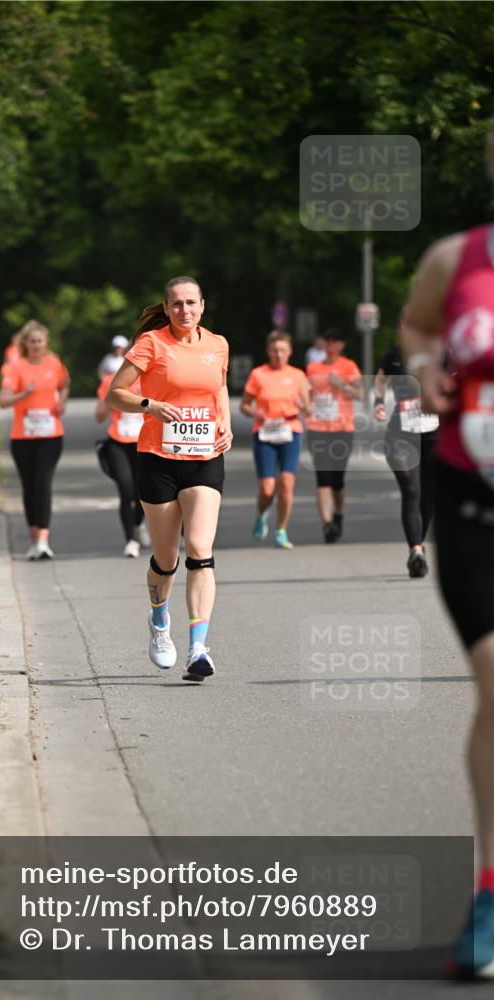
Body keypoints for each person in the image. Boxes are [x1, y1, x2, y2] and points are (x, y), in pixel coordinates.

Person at [401, 210, 494, 979]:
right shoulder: (455, 260)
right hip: (475, 506)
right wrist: (427, 365)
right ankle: (492, 896)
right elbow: (415, 328)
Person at [107, 276, 232, 682]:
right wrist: (151, 405)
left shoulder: (218, 345)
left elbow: (220, 387)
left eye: (191, 303)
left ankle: (198, 647)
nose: (185, 310)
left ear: (202, 305)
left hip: (204, 457)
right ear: (166, 306)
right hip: (157, 459)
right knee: (167, 560)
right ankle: (160, 620)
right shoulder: (151, 345)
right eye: (176, 304)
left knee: (200, 548)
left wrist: (225, 423)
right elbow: (114, 393)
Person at [0, 320, 70, 560]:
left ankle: (43, 541)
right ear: (25, 343)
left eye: (40, 341)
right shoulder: (16, 367)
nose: (37, 345)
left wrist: (62, 401)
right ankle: (32, 538)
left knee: (43, 484)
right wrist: (24, 394)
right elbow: (2, 401)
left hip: (51, 435)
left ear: (46, 342)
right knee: (29, 487)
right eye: (32, 341)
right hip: (23, 436)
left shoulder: (55, 364)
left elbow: (64, 384)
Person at [240, 331, 311, 548]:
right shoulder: (258, 374)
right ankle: (262, 515)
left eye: (282, 350)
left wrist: (302, 406)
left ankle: (281, 530)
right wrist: (255, 413)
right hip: (265, 432)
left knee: (287, 483)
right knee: (268, 488)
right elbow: (244, 405)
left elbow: (308, 409)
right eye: (274, 350)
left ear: (289, 351)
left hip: (290, 431)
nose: (278, 354)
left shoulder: (298, 375)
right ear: (268, 351)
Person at [373, 342, 439, 577]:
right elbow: (381, 380)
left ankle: (416, 545)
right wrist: (378, 403)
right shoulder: (394, 354)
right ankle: (416, 551)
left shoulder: (440, 352)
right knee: (411, 490)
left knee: (427, 496)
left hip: (432, 436)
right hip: (399, 436)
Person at [305, 328, 364, 542]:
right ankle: (327, 524)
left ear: (341, 345)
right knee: (323, 478)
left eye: (335, 341)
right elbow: (306, 394)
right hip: (317, 428)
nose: (331, 345)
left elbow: (360, 394)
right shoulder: (313, 368)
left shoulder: (348, 366)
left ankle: (338, 514)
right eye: (327, 341)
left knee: (337, 479)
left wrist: (342, 385)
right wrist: (304, 406)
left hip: (342, 429)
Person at [95, 370, 150, 557]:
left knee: (143, 491)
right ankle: (131, 540)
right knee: (126, 490)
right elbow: (99, 416)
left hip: (145, 441)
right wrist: (111, 400)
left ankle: (137, 525)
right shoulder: (112, 380)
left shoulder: (153, 377)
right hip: (117, 442)